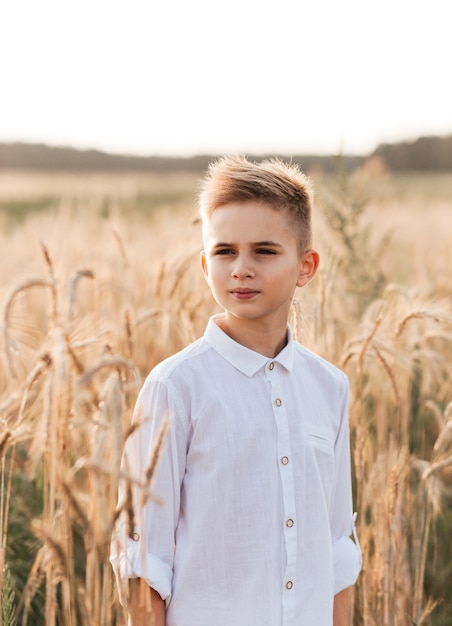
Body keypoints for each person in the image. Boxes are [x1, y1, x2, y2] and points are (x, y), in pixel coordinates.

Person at [110, 155, 362, 626]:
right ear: (205, 264)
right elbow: (144, 559)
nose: (241, 268)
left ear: (306, 267)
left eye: (264, 251)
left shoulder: (330, 387)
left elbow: (336, 549)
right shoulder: (174, 387)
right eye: (225, 251)